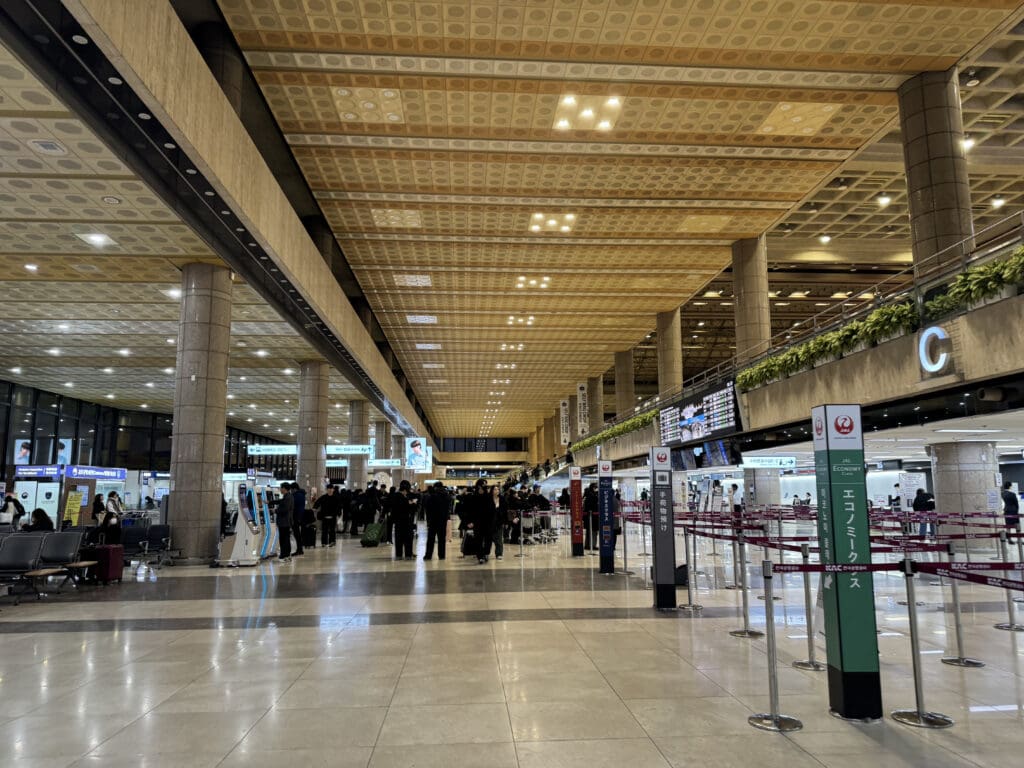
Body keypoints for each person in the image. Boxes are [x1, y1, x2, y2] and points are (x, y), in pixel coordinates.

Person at [422, 481, 449, 560]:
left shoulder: (432, 496)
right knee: (441, 539)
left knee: (431, 539)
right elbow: (448, 509)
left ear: (435, 487)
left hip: (433, 520)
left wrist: (428, 520)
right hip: (443, 520)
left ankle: (428, 555)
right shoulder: (446, 496)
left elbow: (427, 508)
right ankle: (442, 556)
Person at [392, 480, 416, 560]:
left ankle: (398, 554)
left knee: (398, 538)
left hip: (398, 521)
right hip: (407, 521)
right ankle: (408, 554)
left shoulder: (394, 496)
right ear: (405, 490)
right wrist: (411, 503)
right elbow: (410, 508)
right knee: (408, 538)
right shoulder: (404, 498)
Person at [487, 484, 508, 560]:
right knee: (488, 538)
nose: (497, 491)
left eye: (498, 489)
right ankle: (486, 553)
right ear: (492, 491)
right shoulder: (488, 499)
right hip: (489, 522)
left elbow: (505, 511)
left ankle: (499, 553)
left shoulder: (502, 499)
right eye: (495, 489)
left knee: (499, 538)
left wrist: (506, 522)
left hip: (499, 521)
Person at [275, 482, 294, 561]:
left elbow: (284, 509)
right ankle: (287, 555)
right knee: (286, 538)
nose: (280, 489)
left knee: (283, 539)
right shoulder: (288, 496)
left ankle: (284, 555)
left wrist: (275, 510)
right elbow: (280, 501)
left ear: (284, 488)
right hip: (286, 521)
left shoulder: (288, 497)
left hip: (284, 522)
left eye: (281, 487)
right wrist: (270, 502)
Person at [291, 482, 307, 555]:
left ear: (294, 489)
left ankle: (299, 550)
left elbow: (291, 504)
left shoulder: (296, 495)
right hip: (301, 516)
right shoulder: (302, 494)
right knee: (298, 534)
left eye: (291, 489)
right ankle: (300, 549)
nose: (291, 491)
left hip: (296, 517)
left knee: (297, 534)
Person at [583, 482, 599, 550]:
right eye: (595, 487)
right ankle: (592, 545)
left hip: (588, 517)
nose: (596, 489)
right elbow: (594, 505)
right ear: (593, 488)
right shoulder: (592, 496)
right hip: (593, 517)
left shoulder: (587, 495)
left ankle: (587, 544)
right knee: (594, 532)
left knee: (589, 531)